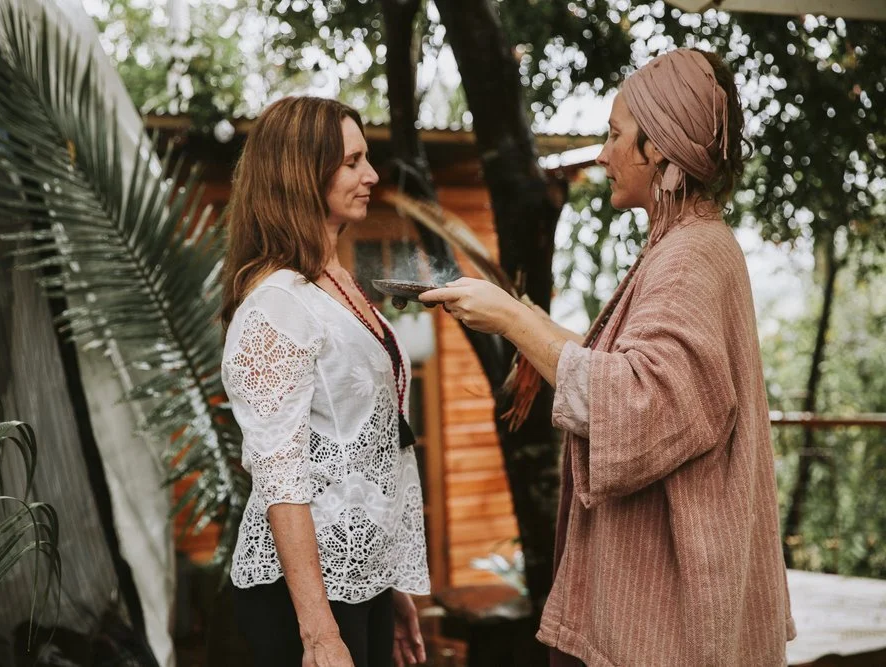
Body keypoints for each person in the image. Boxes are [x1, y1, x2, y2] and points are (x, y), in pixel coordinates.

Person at [420, 48, 795, 666]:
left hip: (670, 619)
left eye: (616, 136)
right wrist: (533, 328)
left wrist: (513, 320)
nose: (602, 153)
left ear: (663, 151)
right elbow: (649, 379)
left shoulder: (690, 258)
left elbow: (639, 404)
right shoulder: (690, 246)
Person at [219, 96, 429, 667]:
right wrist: (318, 633)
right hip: (304, 599)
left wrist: (389, 584)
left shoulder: (333, 282)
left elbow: (363, 446)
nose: (372, 175)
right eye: (353, 162)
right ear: (301, 174)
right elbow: (281, 477)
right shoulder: (277, 305)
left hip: (360, 579)